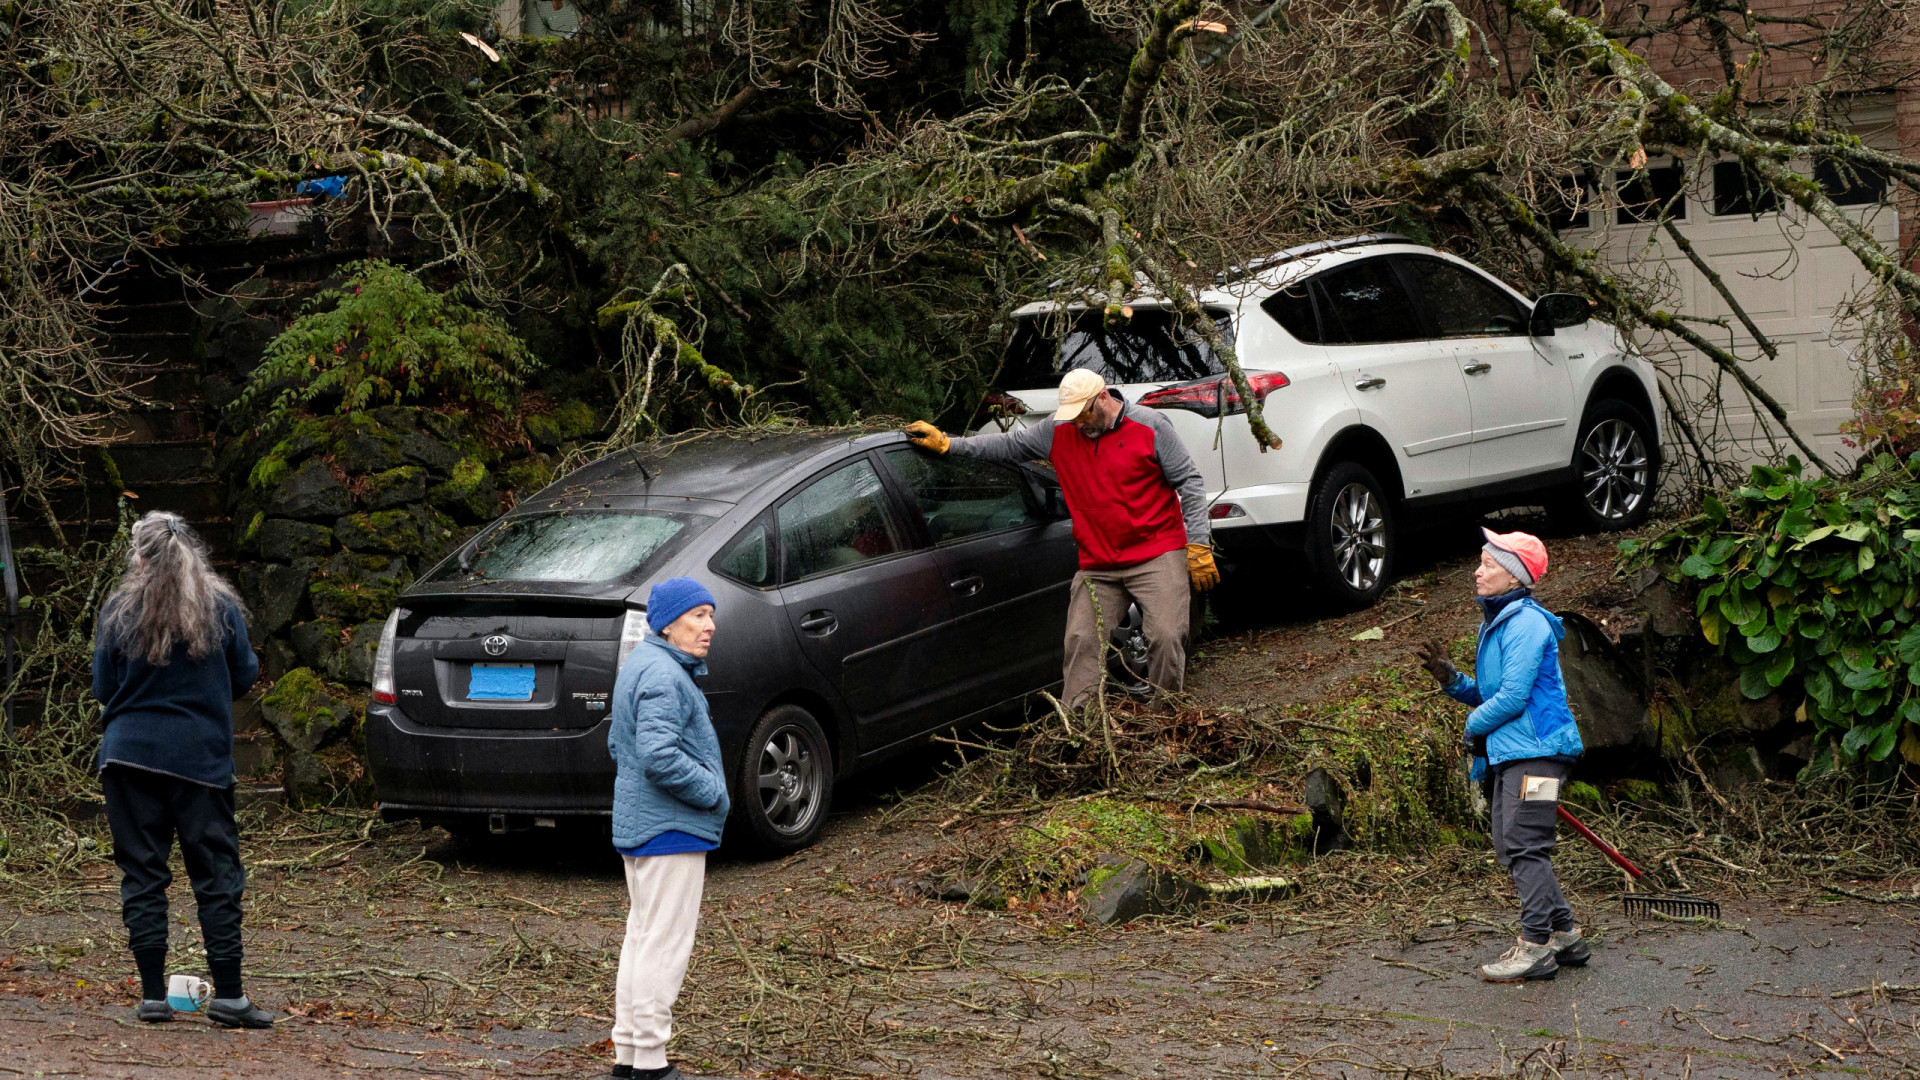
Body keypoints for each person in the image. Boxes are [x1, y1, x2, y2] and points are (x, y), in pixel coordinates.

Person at [906, 368, 1217, 706]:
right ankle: (1079, 731)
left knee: (1166, 637)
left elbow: (1190, 481)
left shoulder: (1151, 426)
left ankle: (1166, 720)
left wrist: (1199, 543)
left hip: (1156, 552)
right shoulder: (1058, 429)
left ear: (1102, 397)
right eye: (1072, 417)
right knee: (1082, 641)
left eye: (1084, 414)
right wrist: (950, 445)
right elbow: (1007, 446)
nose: (1079, 424)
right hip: (1099, 564)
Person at [92, 511, 271, 1027]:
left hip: (128, 757)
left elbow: (104, 687)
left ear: (140, 558)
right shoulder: (220, 608)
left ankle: (152, 996)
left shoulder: (117, 610)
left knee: (143, 875)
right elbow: (246, 674)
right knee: (216, 876)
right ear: (191, 550)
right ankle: (230, 997)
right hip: (201, 761)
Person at [1415, 528, 1588, 983]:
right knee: (1514, 844)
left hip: (1542, 754)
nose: (1477, 570)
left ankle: (1535, 947)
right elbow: (1491, 694)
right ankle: (1565, 934)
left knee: (1525, 843)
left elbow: (1512, 698)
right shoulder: (1496, 625)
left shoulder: (1527, 624)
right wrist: (1451, 679)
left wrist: (1472, 728)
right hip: (1517, 755)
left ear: (1513, 577)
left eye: (1488, 564)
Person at [605, 577, 729, 1080]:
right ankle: (653, 1066)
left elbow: (619, 745)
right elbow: (658, 756)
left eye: (711, 615)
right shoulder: (664, 676)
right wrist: (714, 792)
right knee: (664, 945)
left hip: (643, 828)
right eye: (698, 615)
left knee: (642, 939)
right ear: (668, 623)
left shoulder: (640, 664)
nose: (710, 626)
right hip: (670, 831)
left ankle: (629, 1056)